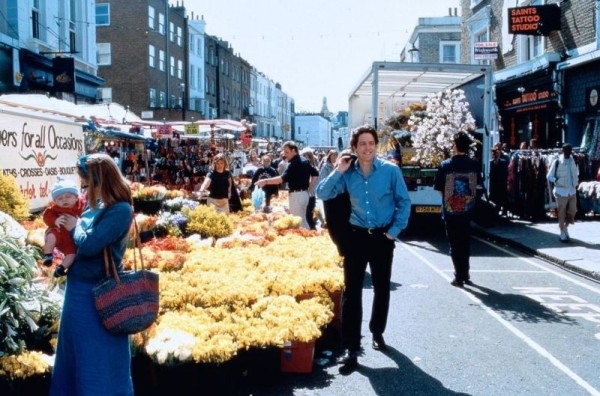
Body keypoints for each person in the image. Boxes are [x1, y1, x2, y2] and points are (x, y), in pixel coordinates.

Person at [316, 125, 411, 375]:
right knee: (352, 292)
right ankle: (351, 346)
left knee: (381, 288)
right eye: (362, 144)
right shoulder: (348, 173)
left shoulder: (390, 171)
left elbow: (404, 202)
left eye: (371, 143)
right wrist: (339, 169)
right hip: (356, 238)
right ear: (355, 148)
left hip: (382, 238)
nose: (367, 148)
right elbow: (322, 192)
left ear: (376, 145)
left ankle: (377, 331)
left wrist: (394, 231)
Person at [50, 153, 134, 395]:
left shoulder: (120, 210)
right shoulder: (92, 204)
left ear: (101, 180)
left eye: (88, 182)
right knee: (74, 354)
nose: (84, 188)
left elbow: (90, 245)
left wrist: (74, 228)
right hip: (77, 291)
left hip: (101, 294)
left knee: (98, 360)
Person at [434, 131, 483, 288]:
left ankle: (459, 276)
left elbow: (439, 188)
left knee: (454, 244)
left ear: (454, 146)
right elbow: (477, 187)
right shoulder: (474, 165)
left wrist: (449, 200)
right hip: (467, 210)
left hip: (450, 211)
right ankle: (465, 273)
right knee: (465, 241)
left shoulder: (445, 165)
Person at [256, 141, 313, 229]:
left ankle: (306, 240)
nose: (285, 155)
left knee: (298, 222)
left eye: (287, 152)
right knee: (303, 220)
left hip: (297, 196)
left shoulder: (294, 164)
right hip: (303, 194)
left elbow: (281, 179)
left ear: (293, 150)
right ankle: (309, 238)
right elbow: (316, 174)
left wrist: (265, 181)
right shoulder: (304, 160)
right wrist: (309, 188)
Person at [42, 177, 86, 277]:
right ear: (55, 201)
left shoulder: (81, 206)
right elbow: (46, 216)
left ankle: (61, 268)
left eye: (68, 196)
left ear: (76, 197)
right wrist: (54, 220)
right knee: (51, 236)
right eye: (60, 198)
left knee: (72, 253)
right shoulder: (54, 209)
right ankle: (48, 255)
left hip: (71, 238)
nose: (64, 200)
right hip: (59, 232)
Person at [546, 143, 579, 242]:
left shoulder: (574, 160)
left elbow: (577, 172)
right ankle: (562, 232)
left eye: (570, 150)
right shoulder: (557, 161)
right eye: (566, 150)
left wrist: (576, 181)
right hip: (560, 191)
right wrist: (557, 181)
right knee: (561, 213)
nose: (568, 152)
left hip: (571, 190)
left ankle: (565, 227)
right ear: (563, 150)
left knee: (573, 211)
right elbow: (549, 176)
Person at [300, 148, 321, 230]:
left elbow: (314, 181)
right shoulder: (303, 167)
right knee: (305, 215)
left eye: (306, 156)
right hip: (305, 194)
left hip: (310, 194)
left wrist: (308, 189)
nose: (304, 158)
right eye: (303, 156)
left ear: (310, 157)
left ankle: (312, 230)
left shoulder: (313, 168)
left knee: (308, 215)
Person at [488, 145, 509, 216]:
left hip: (502, 183)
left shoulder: (504, 161)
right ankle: (495, 211)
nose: (496, 154)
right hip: (494, 184)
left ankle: (504, 211)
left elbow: (506, 172)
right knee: (495, 198)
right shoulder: (491, 162)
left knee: (503, 197)